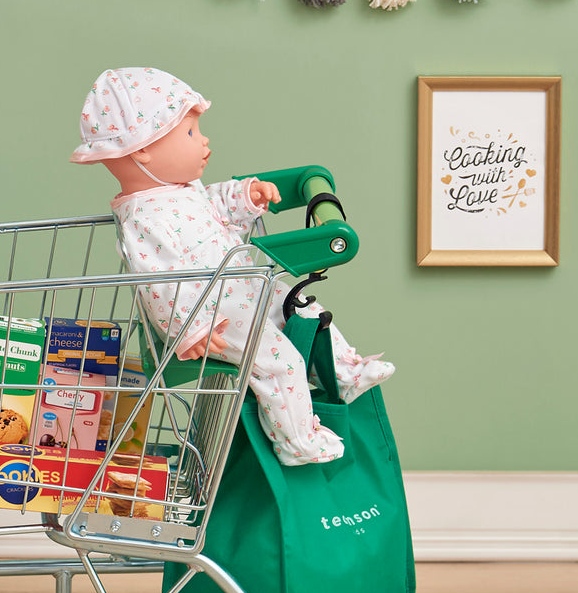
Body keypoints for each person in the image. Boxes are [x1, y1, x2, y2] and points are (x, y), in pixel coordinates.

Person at [71, 66, 393, 466]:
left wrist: (248, 196)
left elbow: (214, 206)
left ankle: (345, 371)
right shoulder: (143, 217)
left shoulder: (178, 190)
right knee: (280, 362)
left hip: (240, 287)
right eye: (190, 133)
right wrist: (190, 332)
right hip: (214, 316)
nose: (204, 141)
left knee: (305, 307)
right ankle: (298, 441)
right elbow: (158, 284)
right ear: (143, 148)